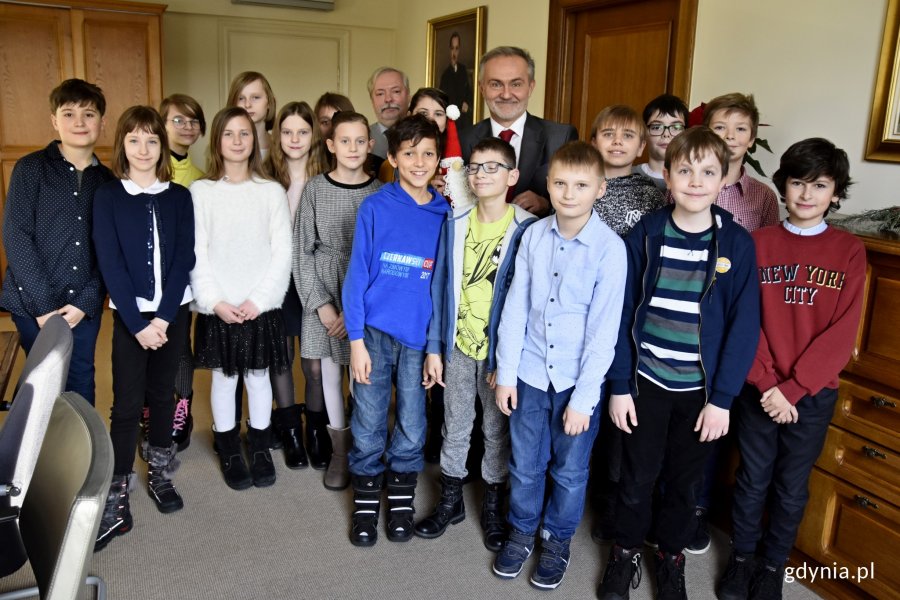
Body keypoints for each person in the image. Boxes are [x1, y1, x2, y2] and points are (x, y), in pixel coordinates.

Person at [599, 127, 760, 600]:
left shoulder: (736, 244)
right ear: (666, 175)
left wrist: (723, 399)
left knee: (685, 484)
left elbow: (743, 328)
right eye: (685, 170)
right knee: (636, 477)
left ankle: (670, 558)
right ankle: (624, 553)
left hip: (701, 393)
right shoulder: (645, 235)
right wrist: (621, 385)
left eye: (708, 172)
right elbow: (621, 313)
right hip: (645, 381)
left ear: (722, 178)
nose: (695, 181)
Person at [717, 138, 866, 600]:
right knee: (751, 480)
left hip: (812, 395)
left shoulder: (849, 251)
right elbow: (744, 319)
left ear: (835, 193)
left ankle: (772, 566)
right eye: (798, 182)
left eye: (819, 185)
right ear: (783, 186)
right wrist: (767, 382)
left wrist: (796, 388)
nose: (806, 194)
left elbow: (842, 333)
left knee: (790, 487)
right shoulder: (756, 244)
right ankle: (741, 560)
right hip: (759, 387)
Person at [490, 141, 625, 590]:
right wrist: (506, 374)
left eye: (582, 185)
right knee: (525, 464)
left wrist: (585, 399)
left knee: (569, 470)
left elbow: (603, 332)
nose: (570, 193)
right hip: (528, 373)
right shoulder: (533, 236)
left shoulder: (610, 249)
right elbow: (514, 309)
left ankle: (556, 538)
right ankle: (523, 531)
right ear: (547, 184)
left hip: (575, 381)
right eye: (561, 183)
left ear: (599, 189)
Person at [414, 137, 537, 551]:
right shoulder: (456, 223)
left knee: (496, 429)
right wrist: (434, 347)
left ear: (512, 177)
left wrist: (512, 361)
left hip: (499, 353)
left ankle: (492, 504)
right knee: (456, 421)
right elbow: (439, 288)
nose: (481, 174)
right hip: (457, 345)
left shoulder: (526, 230)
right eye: (475, 167)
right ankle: (450, 499)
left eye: (492, 167)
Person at [342, 114, 450, 547]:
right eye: (410, 153)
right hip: (372, 332)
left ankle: (401, 501)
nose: (419, 161)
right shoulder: (374, 207)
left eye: (428, 153)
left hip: (418, 337)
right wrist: (354, 341)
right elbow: (355, 276)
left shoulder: (445, 215)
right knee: (368, 417)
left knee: (411, 419)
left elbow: (442, 287)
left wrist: (435, 347)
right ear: (392, 157)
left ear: (439, 159)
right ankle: (366, 504)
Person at [92, 105, 195, 550]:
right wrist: (137, 324)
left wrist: (164, 317)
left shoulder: (178, 197)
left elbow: (182, 261)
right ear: (123, 146)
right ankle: (117, 489)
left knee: (161, 395)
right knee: (127, 401)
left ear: (162, 146)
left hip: (172, 314)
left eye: (152, 140)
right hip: (130, 320)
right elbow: (110, 263)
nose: (143, 148)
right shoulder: (110, 197)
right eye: (134, 140)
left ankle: (158, 469)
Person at [190, 106, 292, 490]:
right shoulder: (201, 192)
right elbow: (196, 251)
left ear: (255, 140)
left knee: (258, 377)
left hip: (258, 305)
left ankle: (261, 445)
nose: (237, 141)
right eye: (229, 134)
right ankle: (229, 446)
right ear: (217, 141)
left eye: (244, 133)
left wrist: (260, 299)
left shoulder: (270, 192)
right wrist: (214, 300)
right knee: (224, 378)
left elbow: (283, 251)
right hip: (220, 306)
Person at [1, 79, 114, 406]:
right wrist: (45, 308)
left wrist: (87, 300)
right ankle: (33, 453)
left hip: (83, 305)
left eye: (89, 114)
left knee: (80, 379)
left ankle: (79, 455)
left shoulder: (107, 183)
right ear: (54, 121)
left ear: (102, 123)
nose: (79, 122)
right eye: (69, 114)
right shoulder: (30, 169)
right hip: (32, 303)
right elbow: (17, 237)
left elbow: (109, 250)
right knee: (41, 379)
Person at [295, 110, 381, 490]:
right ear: (331, 145)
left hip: (362, 293)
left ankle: (365, 446)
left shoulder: (379, 193)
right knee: (328, 371)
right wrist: (323, 304)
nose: (352, 148)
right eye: (344, 141)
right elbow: (302, 251)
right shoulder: (315, 189)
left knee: (360, 375)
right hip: (322, 288)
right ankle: (340, 450)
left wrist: (354, 309)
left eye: (360, 141)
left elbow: (381, 257)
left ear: (371, 145)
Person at [262, 101, 329, 469]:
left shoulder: (325, 177)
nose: (294, 139)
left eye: (302, 131)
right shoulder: (267, 178)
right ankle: (289, 429)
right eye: (286, 132)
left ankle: (317, 429)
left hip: (315, 278)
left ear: (314, 136)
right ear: (277, 136)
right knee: (282, 358)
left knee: (314, 364)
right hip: (279, 280)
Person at [460, 46, 578, 217]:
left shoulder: (561, 137)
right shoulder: (463, 139)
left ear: (530, 87)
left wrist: (546, 203)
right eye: (495, 84)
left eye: (516, 84)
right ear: (481, 88)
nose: (506, 94)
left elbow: (579, 196)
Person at [158, 93, 207, 452]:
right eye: (178, 120)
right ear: (162, 124)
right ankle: (151, 408)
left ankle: (182, 406)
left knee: (179, 346)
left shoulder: (201, 179)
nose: (186, 127)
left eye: (192, 121)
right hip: (147, 273)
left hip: (184, 275)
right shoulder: (146, 165)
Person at [703, 92, 779, 232]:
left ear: (751, 140)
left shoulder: (765, 196)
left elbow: (769, 248)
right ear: (706, 134)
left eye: (740, 129)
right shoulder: (686, 186)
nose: (730, 136)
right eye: (720, 127)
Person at [590, 104, 666, 237]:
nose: (617, 141)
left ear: (641, 147)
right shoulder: (579, 187)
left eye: (628, 135)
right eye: (608, 134)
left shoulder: (651, 196)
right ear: (594, 144)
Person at [635, 94, 689, 190]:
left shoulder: (695, 180)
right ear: (644, 133)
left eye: (676, 127)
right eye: (657, 127)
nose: (666, 134)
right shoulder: (628, 175)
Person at [227, 71, 276, 157]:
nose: (247, 105)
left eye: (256, 97)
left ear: (269, 102)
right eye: (241, 98)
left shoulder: (282, 146)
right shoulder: (222, 145)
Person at [367, 66, 410, 159]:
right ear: (372, 100)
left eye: (396, 91)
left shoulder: (424, 135)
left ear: (408, 96)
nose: (388, 99)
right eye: (380, 94)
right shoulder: (362, 138)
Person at [439, 32, 473, 129]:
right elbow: (442, 99)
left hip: (464, 121)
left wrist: (467, 103)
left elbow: (469, 93)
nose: (454, 52)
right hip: (450, 122)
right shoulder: (445, 74)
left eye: (457, 48)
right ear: (450, 50)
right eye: (452, 48)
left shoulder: (463, 70)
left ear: (459, 50)